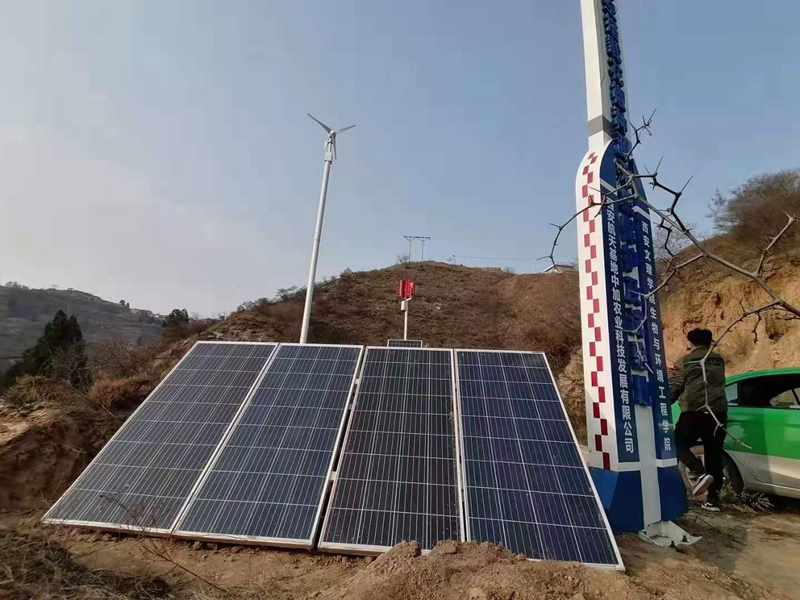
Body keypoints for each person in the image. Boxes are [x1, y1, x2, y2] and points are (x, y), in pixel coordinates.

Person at [669, 328, 727, 512]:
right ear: (710, 341)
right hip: (718, 413)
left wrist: (665, 401)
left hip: (694, 411)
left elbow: (676, 385)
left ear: (691, 343)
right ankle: (714, 500)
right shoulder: (719, 360)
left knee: (676, 443)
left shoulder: (685, 361)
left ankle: (698, 471)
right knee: (714, 453)